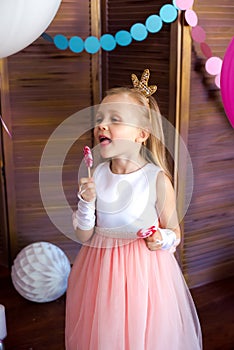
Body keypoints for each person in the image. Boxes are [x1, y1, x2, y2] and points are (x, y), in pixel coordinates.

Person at [65, 69, 202, 350]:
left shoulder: (156, 180)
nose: (102, 125)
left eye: (114, 119)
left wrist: (162, 239)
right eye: (99, 119)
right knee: (105, 329)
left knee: (144, 331)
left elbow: (174, 230)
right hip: (99, 269)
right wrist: (86, 202)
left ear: (141, 133)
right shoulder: (96, 176)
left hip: (145, 274)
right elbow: (83, 235)